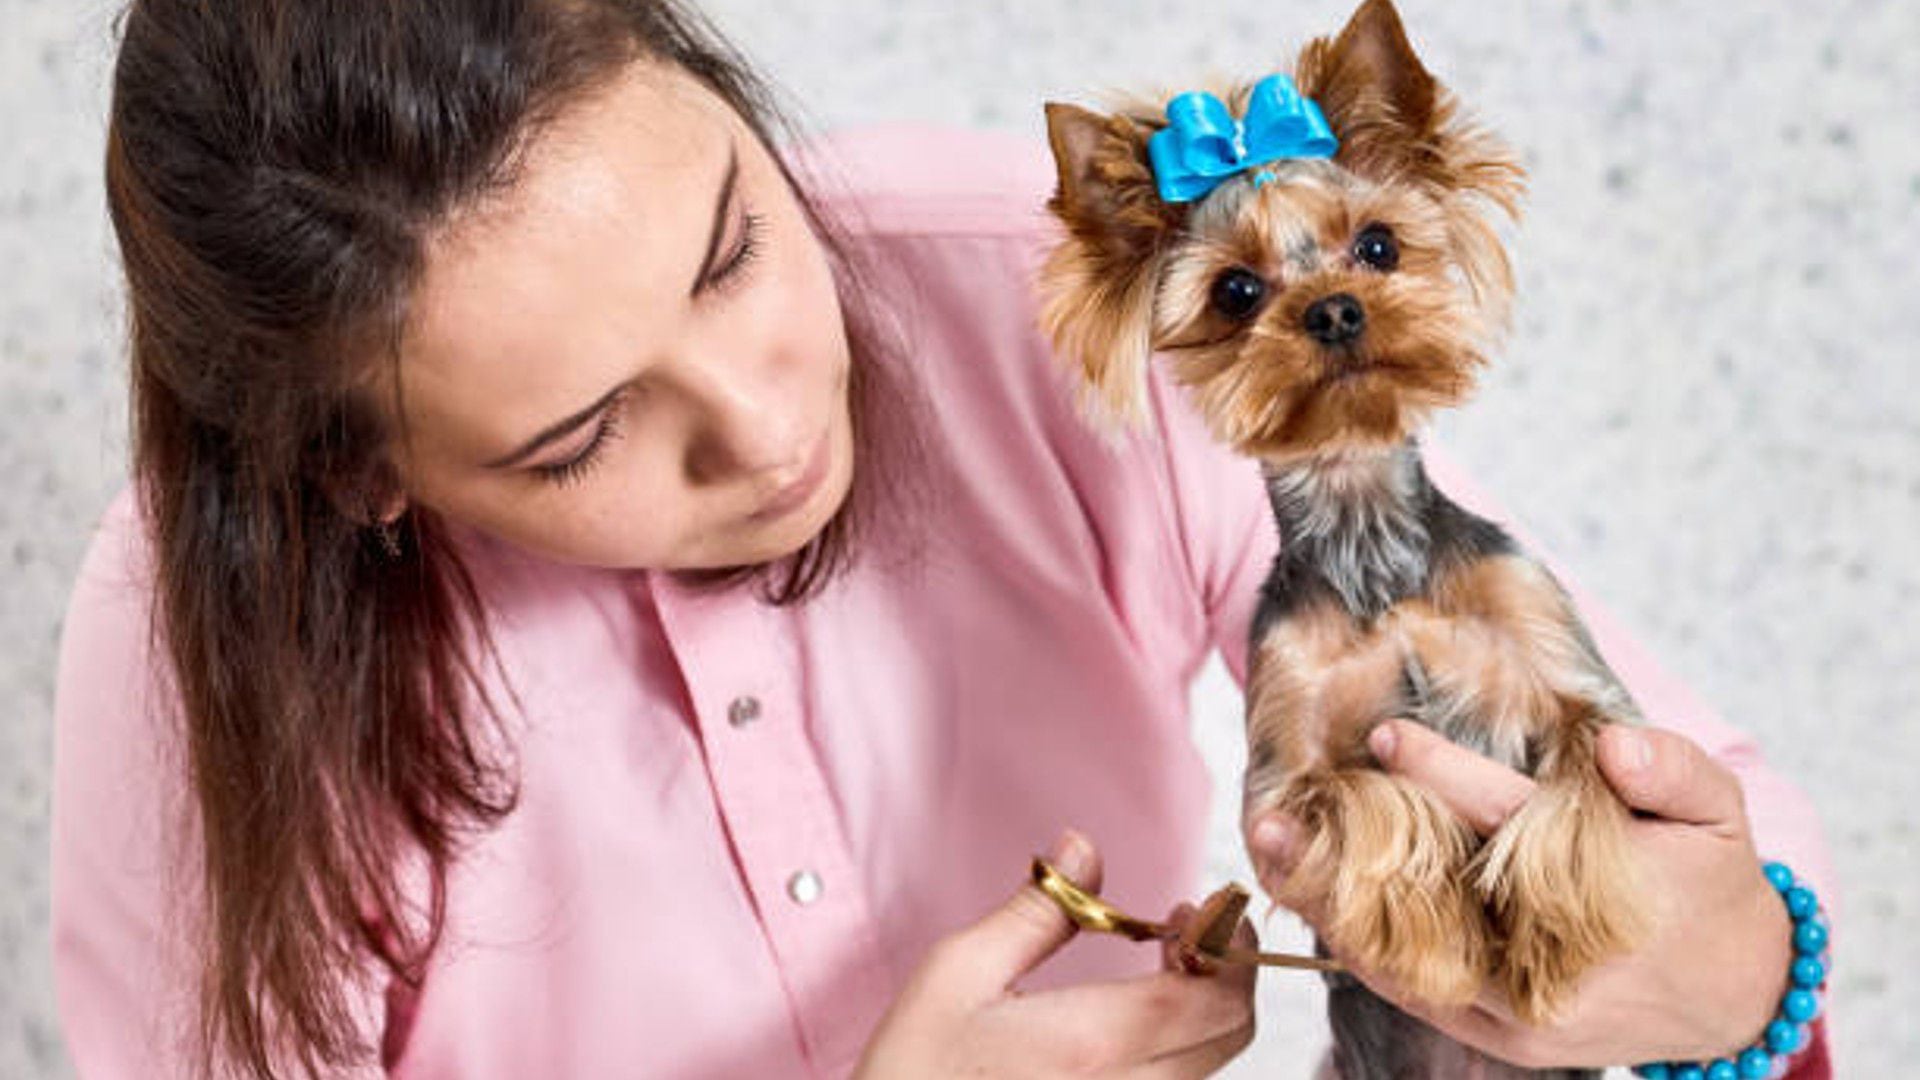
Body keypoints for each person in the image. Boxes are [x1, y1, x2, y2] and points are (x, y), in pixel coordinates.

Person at [51, 1, 1833, 1077]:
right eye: (584, 436)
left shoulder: (1021, 292)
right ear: (361, 479)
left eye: (737, 249)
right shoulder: (194, 644)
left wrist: (1736, 961)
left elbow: (1683, 796)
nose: (768, 427)